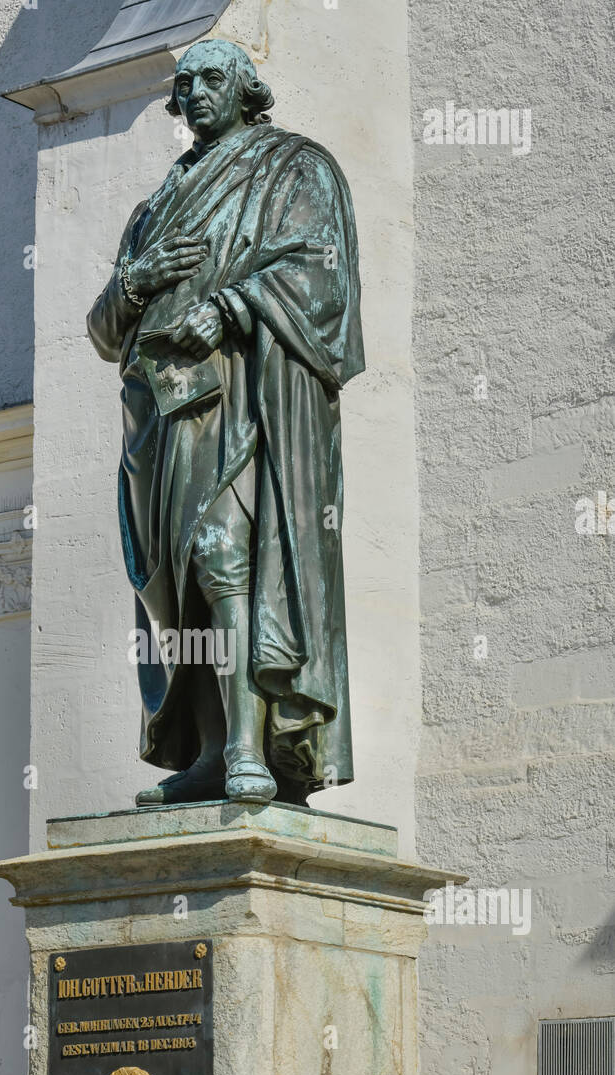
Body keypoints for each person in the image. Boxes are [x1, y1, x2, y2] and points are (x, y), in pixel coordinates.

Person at [87, 39, 364, 806]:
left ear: (248, 90)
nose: (197, 92)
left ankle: (251, 746)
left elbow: (321, 274)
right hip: (160, 419)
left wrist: (229, 306)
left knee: (222, 556)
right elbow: (104, 332)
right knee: (180, 588)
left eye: (214, 78)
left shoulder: (294, 168)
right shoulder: (154, 208)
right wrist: (135, 282)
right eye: (186, 83)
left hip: (249, 401)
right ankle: (211, 746)